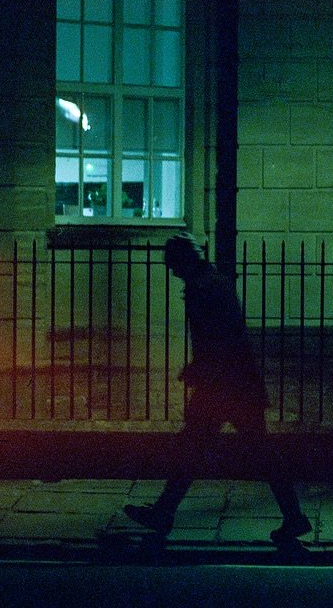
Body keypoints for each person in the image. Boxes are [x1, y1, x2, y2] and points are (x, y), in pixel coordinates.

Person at [123, 233, 311, 543]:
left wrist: (199, 371)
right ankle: (293, 517)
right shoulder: (214, 282)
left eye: (173, 265)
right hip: (237, 384)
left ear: (183, 262)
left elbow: (216, 340)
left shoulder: (201, 289)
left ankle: (163, 513)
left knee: (198, 449)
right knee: (244, 450)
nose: (172, 272)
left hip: (223, 387)